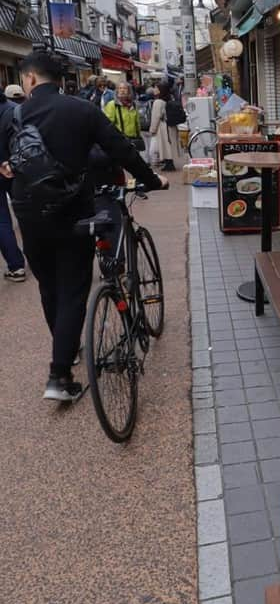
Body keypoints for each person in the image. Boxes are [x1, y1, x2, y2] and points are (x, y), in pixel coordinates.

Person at [0, 52, 168, 403]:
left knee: (49, 286)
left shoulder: (12, 115)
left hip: (29, 215)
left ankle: (69, 349)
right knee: (74, 286)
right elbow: (120, 149)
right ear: (60, 79)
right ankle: (58, 376)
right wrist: (150, 180)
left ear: (30, 79)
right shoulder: (81, 110)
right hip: (72, 212)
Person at [0, 87, 25, 281]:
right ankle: (37, 255)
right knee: (25, 213)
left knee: (2, 222)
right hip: (16, 168)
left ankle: (16, 266)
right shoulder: (13, 110)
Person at [103, 82, 143, 154]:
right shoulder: (112, 104)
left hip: (133, 140)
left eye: (125, 88)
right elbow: (108, 124)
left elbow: (137, 122)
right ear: (117, 91)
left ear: (129, 91)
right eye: (120, 88)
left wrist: (138, 136)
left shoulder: (133, 104)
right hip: (120, 140)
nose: (122, 90)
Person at [150, 80, 181, 172]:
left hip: (163, 127)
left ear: (160, 90)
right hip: (171, 126)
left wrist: (152, 129)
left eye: (156, 87)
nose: (154, 89)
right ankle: (169, 163)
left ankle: (168, 164)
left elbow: (156, 117)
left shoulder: (158, 102)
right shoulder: (169, 98)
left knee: (164, 145)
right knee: (170, 145)